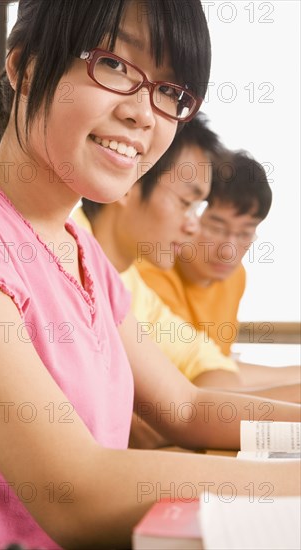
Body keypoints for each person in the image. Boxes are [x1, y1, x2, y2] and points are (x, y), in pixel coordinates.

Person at [0, 1, 300, 549]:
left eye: (171, 93)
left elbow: (186, 407)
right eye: (114, 65)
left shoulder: (77, 244)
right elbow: (73, 492)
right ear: (25, 66)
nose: (144, 114)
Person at [80, 116, 300, 403]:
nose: (228, 251)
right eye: (187, 204)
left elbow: (203, 368)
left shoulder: (128, 283)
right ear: (128, 182)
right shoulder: (70, 264)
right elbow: (163, 409)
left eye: (245, 234)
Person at [138, 149, 270, 356]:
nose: (228, 252)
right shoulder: (148, 271)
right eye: (216, 229)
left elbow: (219, 367)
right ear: (189, 213)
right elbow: (189, 374)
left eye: (245, 233)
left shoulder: (234, 276)